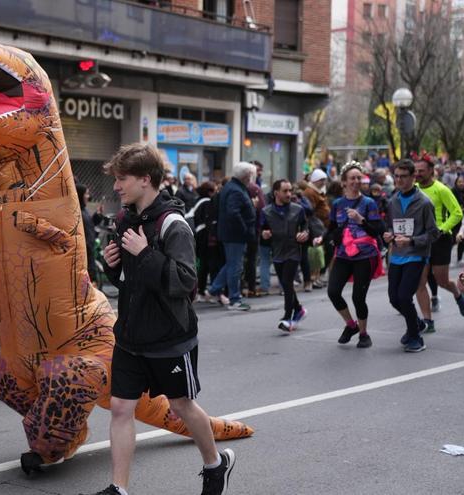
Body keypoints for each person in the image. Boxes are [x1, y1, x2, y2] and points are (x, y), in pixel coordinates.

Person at [90, 144, 235, 495]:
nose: (117, 187)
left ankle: (216, 464)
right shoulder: (125, 219)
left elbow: (186, 282)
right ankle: (119, 489)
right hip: (129, 335)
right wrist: (115, 267)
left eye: (122, 179)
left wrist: (146, 254)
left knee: (181, 405)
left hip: (169, 336)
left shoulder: (174, 224)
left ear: (145, 180)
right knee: (122, 408)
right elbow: (130, 282)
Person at [326, 162, 386, 348]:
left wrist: (361, 220)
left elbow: (377, 230)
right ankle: (350, 325)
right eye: (352, 178)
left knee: (358, 298)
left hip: (364, 255)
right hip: (344, 254)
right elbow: (331, 229)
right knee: (333, 291)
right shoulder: (337, 204)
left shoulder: (369, 203)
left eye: (359, 178)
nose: (356, 181)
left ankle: (363, 333)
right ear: (344, 182)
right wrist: (322, 239)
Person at [383, 160, 439, 352]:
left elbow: (433, 233)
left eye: (403, 176)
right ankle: (416, 323)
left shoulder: (424, 203)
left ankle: (416, 338)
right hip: (397, 256)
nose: (399, 180)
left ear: (413, 177)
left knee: (404, 296)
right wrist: (389, 235)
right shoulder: (393, 201)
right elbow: (392, 225)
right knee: (394, 298)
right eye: (396, 176)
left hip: (416, 256)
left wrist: (412, 240)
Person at [414, 156, 464, 329]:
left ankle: (458, 295)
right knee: (420, 282)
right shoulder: (414, 189)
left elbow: (457, 213)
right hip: (421, 240)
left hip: (440, 239)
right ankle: (427, 321)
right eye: (415, 171)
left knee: (441, 281)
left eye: (421, 171)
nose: (417, 174)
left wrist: (442, 229)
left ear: (432, 171)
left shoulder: (442, 189)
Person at [261, 179, 318, 332]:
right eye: (285, 191)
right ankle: (299, 309)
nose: (289, 194)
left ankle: (287, 316)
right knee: (286, 284)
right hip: (277, 251)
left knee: (287, 282)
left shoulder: (298, 209)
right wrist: (264, 234)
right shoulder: (266, 211)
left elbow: (307, 226)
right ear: (276, 193)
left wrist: (304, 234)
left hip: (293, 250)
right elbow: (261, 230)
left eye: (290, 190)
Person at [205, 162, 257, 311]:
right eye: (251, 175)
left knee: (231, 264)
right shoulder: (236, 189)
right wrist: (245, 229)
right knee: (235, 266)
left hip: (232, 234)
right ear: (246, 176)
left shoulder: (233, 187)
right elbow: (233, 212)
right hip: (235, 235)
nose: (251, 177)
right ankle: (235, 299)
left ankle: (214, 290)